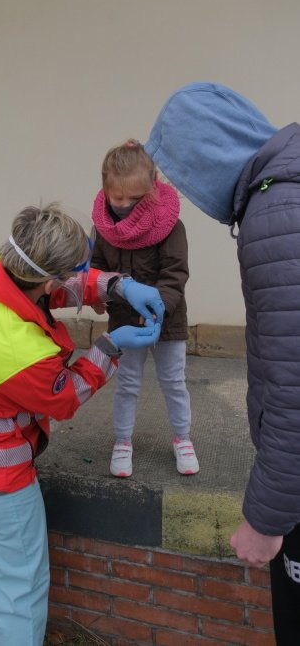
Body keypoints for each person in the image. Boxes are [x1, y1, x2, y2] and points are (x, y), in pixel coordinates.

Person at [0, 202, 163, 646]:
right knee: (20, 593)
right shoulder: (17, 352)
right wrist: (111, 345)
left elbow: (50, 289)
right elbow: (64, 396)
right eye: (80, 267)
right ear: (48, 275)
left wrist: (116, 286)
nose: (82, 273)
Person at [143, 81, 300, 644]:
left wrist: (265, 518)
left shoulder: (278, 209)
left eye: (181, 170)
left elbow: (294, 382)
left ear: (207, 154)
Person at [90, 139, 199, 478]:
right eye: (116, 197)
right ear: (106, 190)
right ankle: (123, 442)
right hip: (124, 320)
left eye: (134, 199)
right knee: (127, 385)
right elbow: (95, 270)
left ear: (151, 191)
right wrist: (98, 296)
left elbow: (175, 273)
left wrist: (158, 306)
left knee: (173, 381)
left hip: (168, 320)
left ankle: (183, 438)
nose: (123, 205)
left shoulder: (170, 226)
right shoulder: (103, 230)